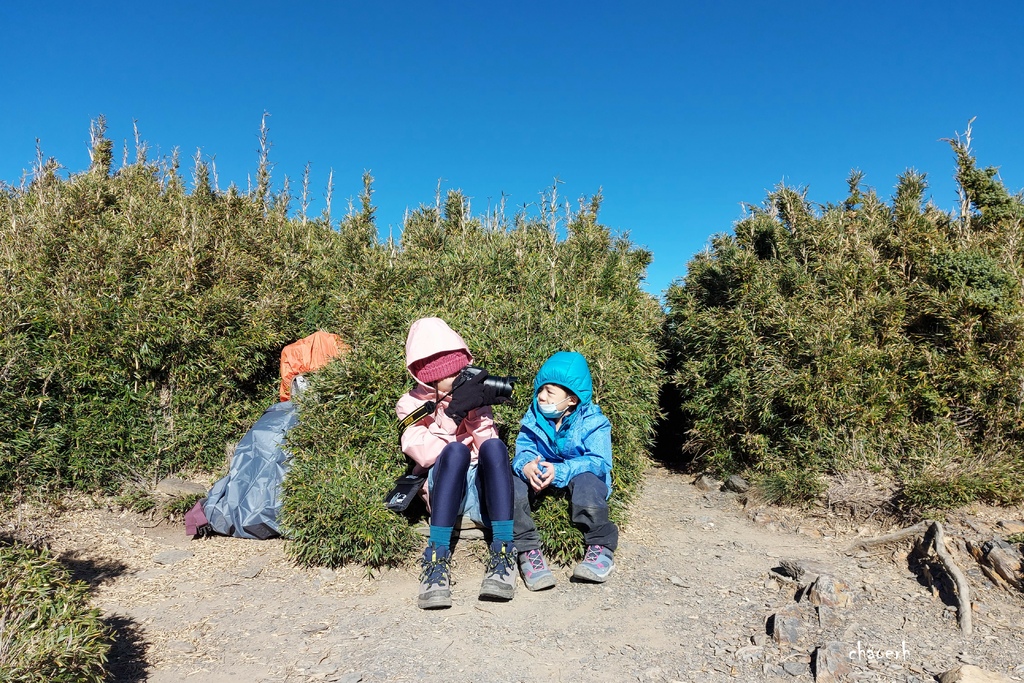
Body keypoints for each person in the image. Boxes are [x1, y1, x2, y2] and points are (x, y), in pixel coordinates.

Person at [396, 317, 517, 609]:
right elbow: (423, 454)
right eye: (455, 376)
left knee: (494, 447)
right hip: (444, 490)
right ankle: (436, 557)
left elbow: (485, 444)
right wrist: (452, 416)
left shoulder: (473, 399)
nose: (463, 379)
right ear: (432, 379)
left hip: (480, 493)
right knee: (455, 453)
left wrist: (475, 412)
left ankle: (503, 551)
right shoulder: (409, 405)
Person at [511, 351, 618, 589]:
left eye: (549, 392)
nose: (541, 396)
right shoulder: (534, 416)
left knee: (589, 483)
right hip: (542, 469)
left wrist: (561, 471)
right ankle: (527, 550)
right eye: (540, 389)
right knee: (512, 485)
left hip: (576, 471)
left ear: (572, 399)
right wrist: (527, 466)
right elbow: (525, 448)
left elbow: (599, 461)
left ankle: (601, 546)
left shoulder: (594, 421)